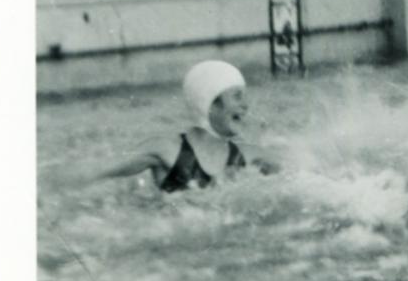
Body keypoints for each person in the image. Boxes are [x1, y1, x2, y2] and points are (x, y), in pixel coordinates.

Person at [89, 61, 277, 192]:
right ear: (209, 104)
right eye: (237, 97)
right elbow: (91, 172)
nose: (246, 106)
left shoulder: (251, 156)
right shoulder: (166, 150)